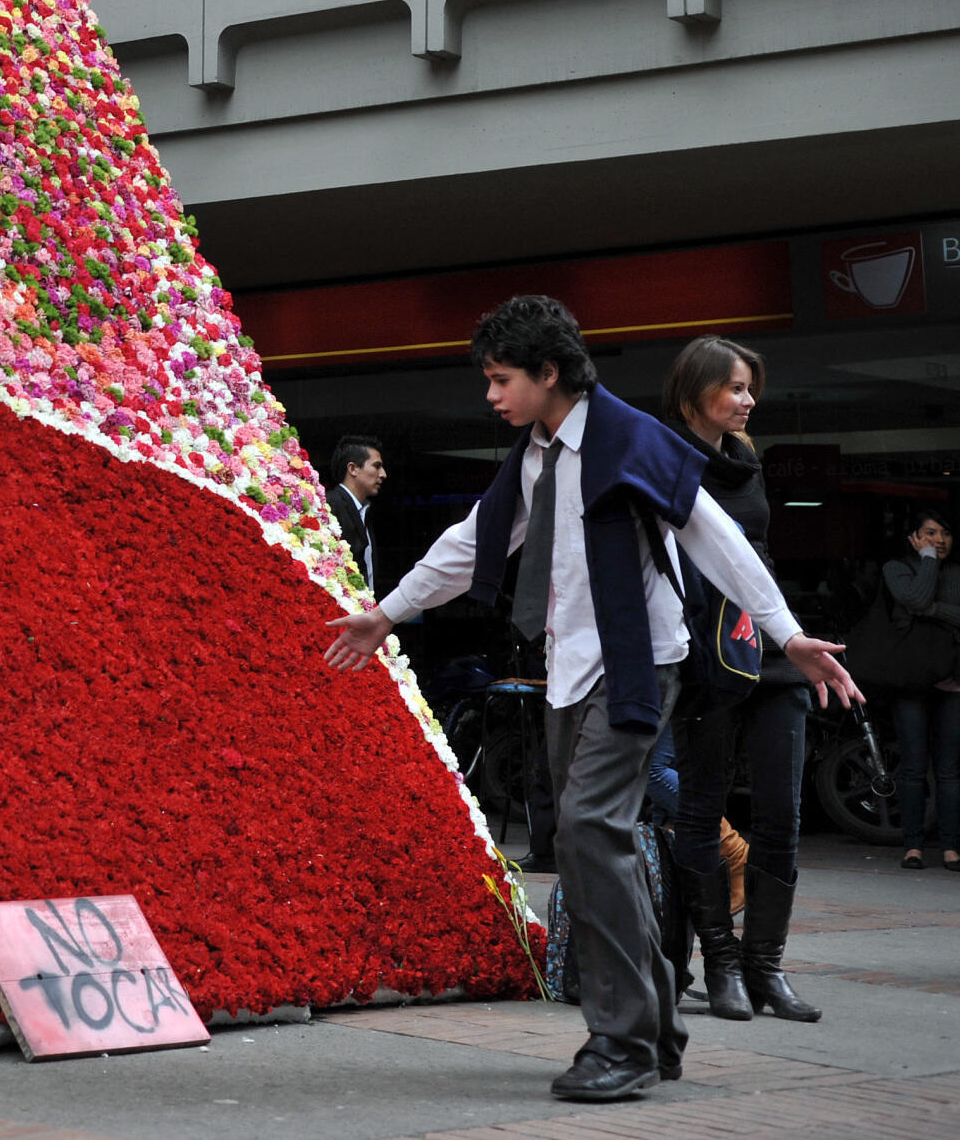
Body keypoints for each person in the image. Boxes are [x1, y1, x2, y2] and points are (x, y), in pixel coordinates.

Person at [325, 296, 861, 1104]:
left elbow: (714, 535)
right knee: (590, 843)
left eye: (501, 378)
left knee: (586, 830)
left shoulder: (629, 436)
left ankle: (622, 1041)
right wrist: (387, 611)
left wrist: (786, 634)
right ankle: (658, 1028)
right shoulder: (533, 453)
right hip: (569, 666)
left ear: (548, 373)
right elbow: (473, 540)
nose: (491, 395)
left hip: (638, 664)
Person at [661, 336, 820, 1024]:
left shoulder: (746, 459)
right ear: (695, 394)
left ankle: (766, 970)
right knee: (700, 807)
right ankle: (720, 964)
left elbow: (753, 555)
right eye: (734, 387)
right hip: (705, 653)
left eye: (751, 386)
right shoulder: (663, 459)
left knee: (782, 813)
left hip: (769, 649)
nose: (749, 399)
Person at [885, 512, 960, 873]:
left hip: (955, 677)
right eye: (930, 533)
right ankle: (913, 846)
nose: (939, 540)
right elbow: (913, 599)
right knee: (912, 767)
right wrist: (927, 562)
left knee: (949, 769)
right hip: (912, 676)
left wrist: (934, 610)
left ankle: (951, 849)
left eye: (944, 533)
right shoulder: (897, 568)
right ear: (914, 537)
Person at [326, 436, 385, 589]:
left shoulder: (365, 510)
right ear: (353, 469)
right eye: (376, 466)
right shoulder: (330, 505)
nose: (383, 474)